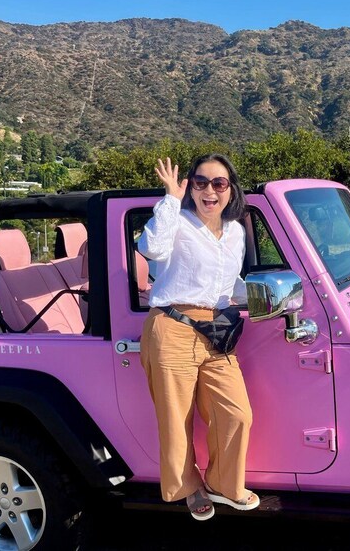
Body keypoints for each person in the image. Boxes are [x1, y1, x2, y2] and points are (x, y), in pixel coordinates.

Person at [138, 154, 258, 521]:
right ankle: (188, 489)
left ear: (230, 189)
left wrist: (260, 297)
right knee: (176, 421)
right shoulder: (178, 222)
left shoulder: (237, 231)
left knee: (237, 414)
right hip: (171, 326)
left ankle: (223, 485)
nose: (209, 190)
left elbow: (227, 286)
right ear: (191, 186)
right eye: (200, 182)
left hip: (215, 330)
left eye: (218, 183)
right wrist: (171, 199)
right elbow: (151, 249)